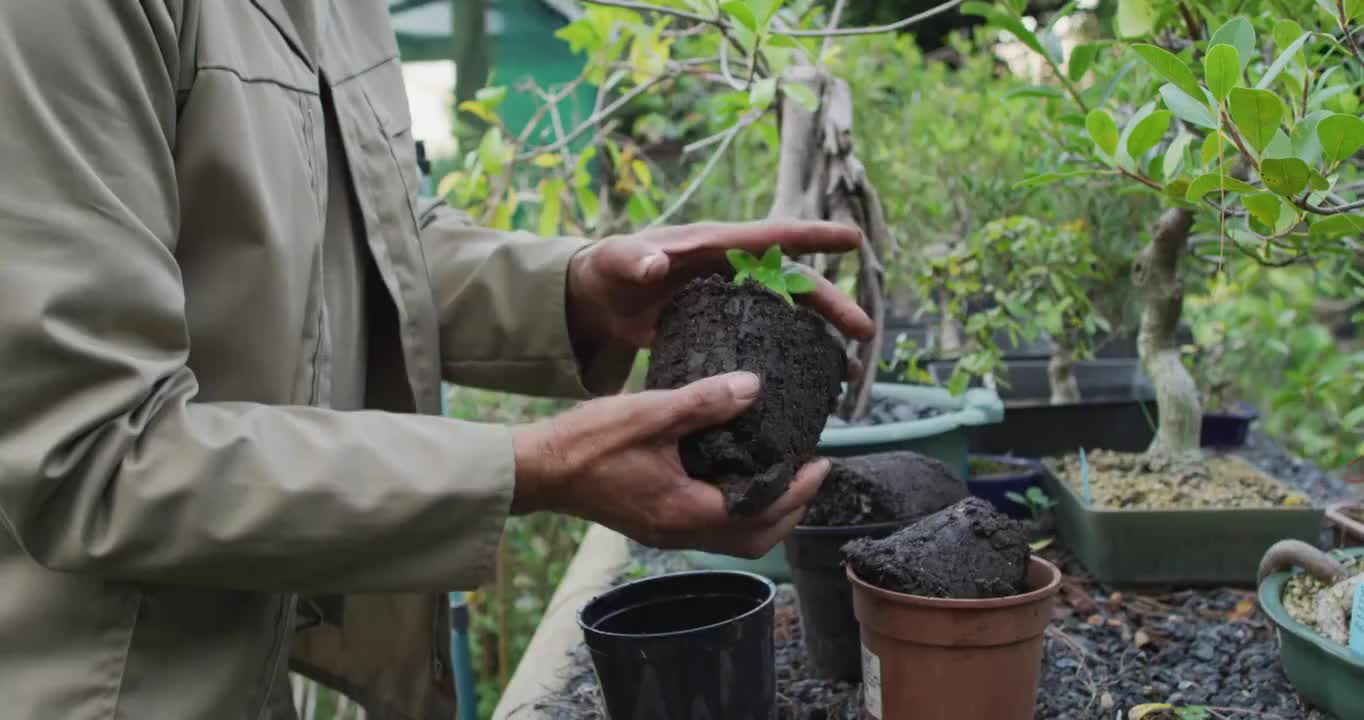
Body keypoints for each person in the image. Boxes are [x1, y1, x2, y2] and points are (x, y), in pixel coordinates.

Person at [0, 3, 873, 719]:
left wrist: (574, 291)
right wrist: (532, 467)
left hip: (243, 661)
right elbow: (95, 455)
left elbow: (366, 239)